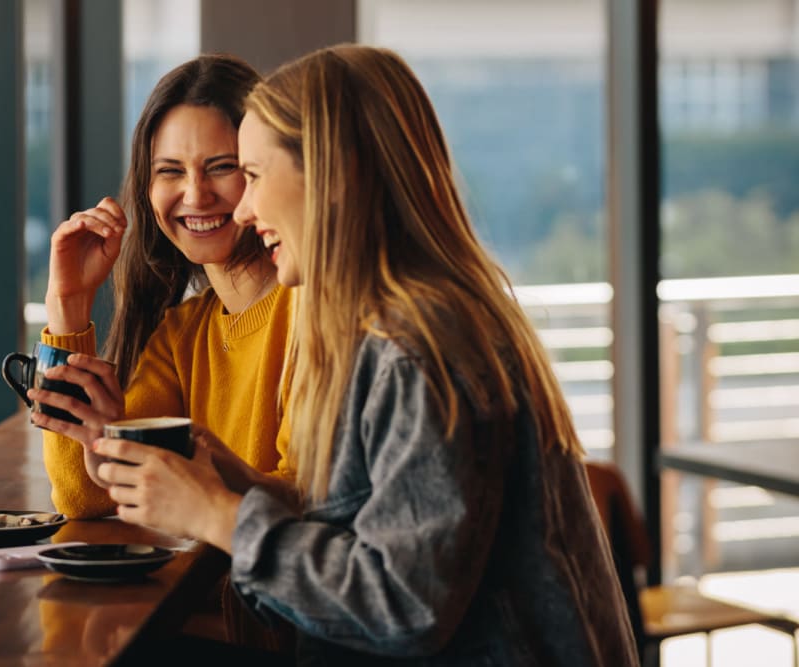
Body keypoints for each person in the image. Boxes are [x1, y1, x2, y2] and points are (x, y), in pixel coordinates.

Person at [92, 44, 639, 665]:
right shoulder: (386, 329)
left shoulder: (417, 347)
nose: (243, 209)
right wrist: (235, 483)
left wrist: (219, 515)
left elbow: (406, 606)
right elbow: (376, 525)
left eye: (254, 175)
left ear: (333, 176)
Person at [26, 54, 293, 521]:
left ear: (258, 172)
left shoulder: (310, 311)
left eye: (221, 166)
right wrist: (67, 308)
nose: (194, 195)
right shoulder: (182, 334)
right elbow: (85, 497)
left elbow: (308, 500)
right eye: (170, 170)